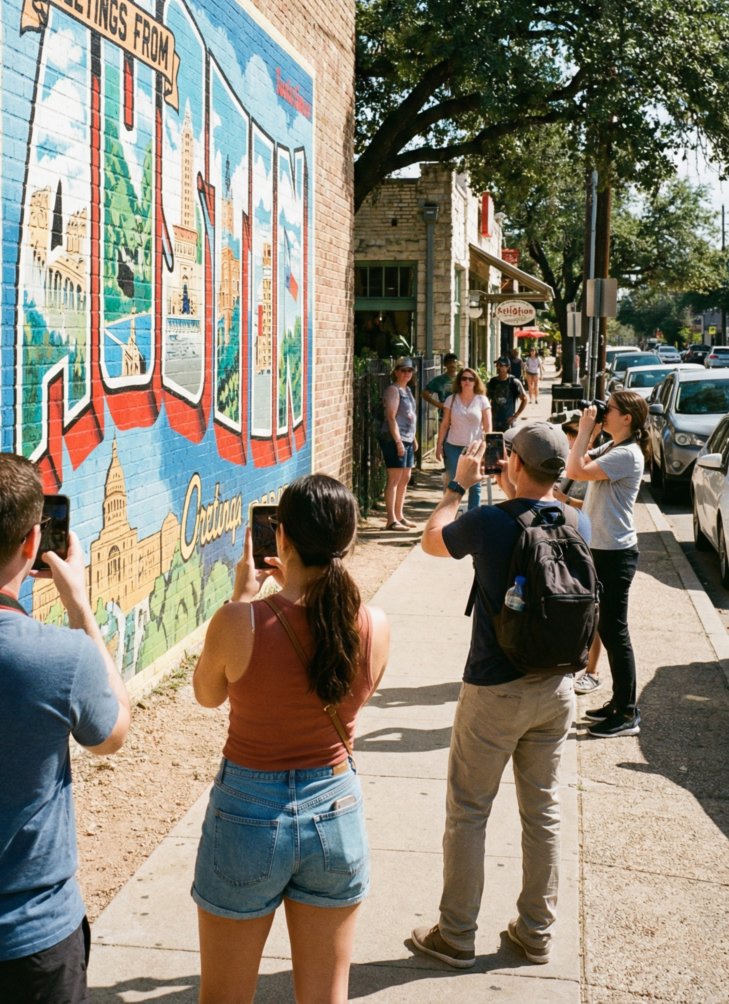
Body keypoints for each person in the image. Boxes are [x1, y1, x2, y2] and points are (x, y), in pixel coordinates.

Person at [192, 474, 390, 1004]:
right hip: (336, 807)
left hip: (247, 814)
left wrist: (242, 597)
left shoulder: (240, 622)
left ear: (280, 537)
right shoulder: (373, 624)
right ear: (346, 541)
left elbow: (207, 695)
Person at [412, 424, 589, 968]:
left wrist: (455, 487)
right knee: (543, 810)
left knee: (469, 811)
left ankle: (457, 934)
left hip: (495, 688)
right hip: (557, 687)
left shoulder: (489, 521)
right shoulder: (574, 520)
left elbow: (430, 539)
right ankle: (536, 932)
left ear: (512, 462)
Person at [0, 452, 131, 1004]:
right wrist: (80, 607)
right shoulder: (64, 658)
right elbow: (113, 733)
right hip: (31, 941)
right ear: (32, 543)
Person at [566, 390, 649, 737]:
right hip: (602, 548)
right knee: (606, 628)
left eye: (609, 410)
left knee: (615, 632)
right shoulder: (615, 447)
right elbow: (579, 459)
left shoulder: (627, 454)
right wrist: (593, 430)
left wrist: (587, 427)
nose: (603, 412)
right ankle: (618, 703)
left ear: (627, 418)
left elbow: (575, 469)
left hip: (615, 552)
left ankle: (627, 713)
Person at [553, 411, 602, 696]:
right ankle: (571, 661)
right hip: (569, 541)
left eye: (570, 439)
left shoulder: (592, 464)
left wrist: (565, 499)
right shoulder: (571, 464)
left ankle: (592, 670)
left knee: (591, 609)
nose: (568, 445)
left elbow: (593, 506)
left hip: (590, 541)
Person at [436, 368, 491, 511]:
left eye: (470, 379)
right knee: (453, 483)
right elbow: (444, 424)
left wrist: (488, 448)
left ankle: (472, 519)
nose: (467, 382)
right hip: (453, 446)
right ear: (459, 381)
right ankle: (449, 516)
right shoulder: (451, 399)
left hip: (475, 448)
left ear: (475, 382)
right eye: (464, 378)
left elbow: (488, 427)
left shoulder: (482, 400)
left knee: (475, 485)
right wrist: (439, 445)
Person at [379, 356, 419, 529]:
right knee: (394, 479)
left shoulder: (407, 390)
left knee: (405, 478)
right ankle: (391, 519)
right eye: (403, 370)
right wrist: (398, 442)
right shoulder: (393, 390)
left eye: (409, 370)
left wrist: (414, 438)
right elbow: (391, 417)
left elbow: (410, 417)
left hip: (408, 438)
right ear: (396, 372)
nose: (406, 373)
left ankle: (400, 515)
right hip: (395, 439)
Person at [486, 356, 528, 432]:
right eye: (497, 365)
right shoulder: (492, 382)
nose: (498, 367)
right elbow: (486, 401)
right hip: (494, 422)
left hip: (509, 422)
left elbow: (524, 399)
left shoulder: (514, 382)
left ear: (508, 367)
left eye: (501, 365)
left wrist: (515, 416)